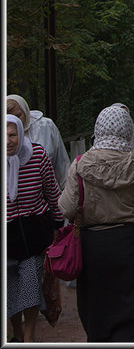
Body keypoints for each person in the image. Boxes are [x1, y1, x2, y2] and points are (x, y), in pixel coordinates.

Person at [59, 105, 134, 343]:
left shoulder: (80, 165)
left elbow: (66, 208)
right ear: (127, 130)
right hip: (132, 247)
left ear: (99, 129)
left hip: (93, 248)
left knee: (98, 312)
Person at [7, 114, 64, 343]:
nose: (8, 140)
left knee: (30, 289)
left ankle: (29, 336)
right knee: (11, 291)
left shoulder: (37, 155)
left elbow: (52, 191)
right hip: (7, 239)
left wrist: (59, 223)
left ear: (21, 134)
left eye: (12, 135)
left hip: (34, 235)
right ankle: (17, 331)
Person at [7, 94, 71, 189]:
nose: (15, 121)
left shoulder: (46, 126)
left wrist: (69, 194)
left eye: (18, 116)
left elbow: (62, 164)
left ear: (25, 112)